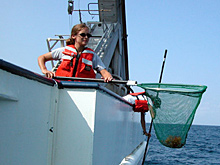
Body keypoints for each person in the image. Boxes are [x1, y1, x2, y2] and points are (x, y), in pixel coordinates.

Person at [38, 23, 113, 82]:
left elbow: (103, 70)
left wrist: (108, 76)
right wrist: (44, 70)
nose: (86, 37)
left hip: (82, 90)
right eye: (83, 35)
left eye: (88, 35)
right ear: (73, 36)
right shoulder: (64, 51)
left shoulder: (92, 55)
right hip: (62, 87)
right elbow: (42, 58)